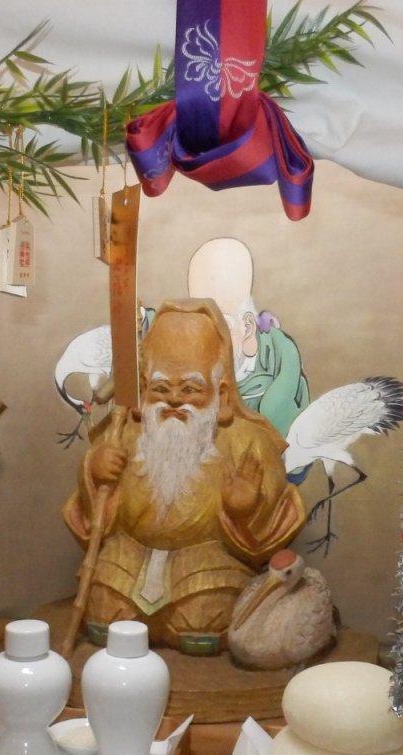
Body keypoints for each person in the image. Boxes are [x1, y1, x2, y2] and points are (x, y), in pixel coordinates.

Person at [62, 300, 304, 656]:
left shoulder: (246, 440)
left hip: (208, 566)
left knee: (207, 614)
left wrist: (245, 510)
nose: (174, 399)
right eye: (161, 388)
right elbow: (91, 510)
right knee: (104, 605)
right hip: (127, 560)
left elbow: (276, 513)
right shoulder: (123, 433)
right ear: (144, 388)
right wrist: (94, 471)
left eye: (190, 389)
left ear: (222, 393)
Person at [187, 237, 309, 439]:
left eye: (222, 325)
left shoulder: (282, 370)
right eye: (199, 322)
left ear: (248, 327)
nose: (206, 339)